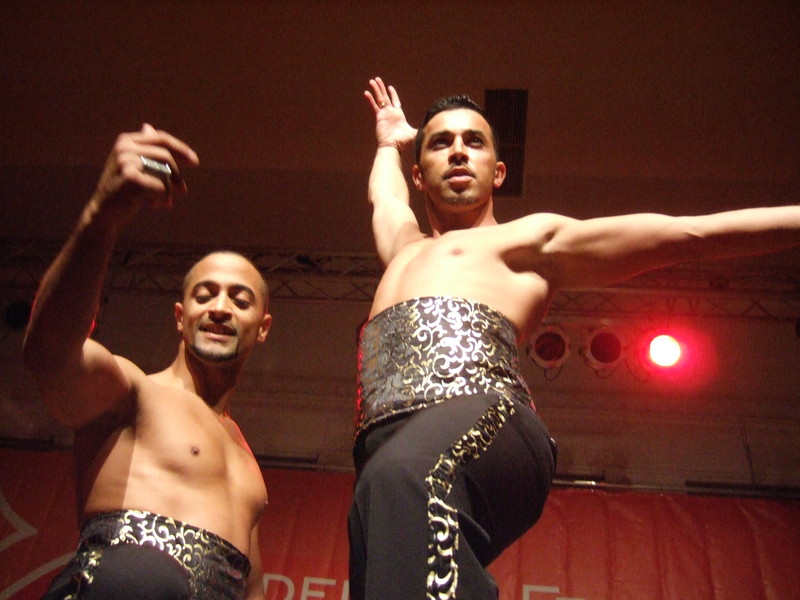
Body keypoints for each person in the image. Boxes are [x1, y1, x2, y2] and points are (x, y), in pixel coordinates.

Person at [349, 76, 800, 600]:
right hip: (383, 441)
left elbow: (687, 234)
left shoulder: (531, 239)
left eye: (474, 141)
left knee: (407, 476)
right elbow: (384, 197)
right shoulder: (402, 248)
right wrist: (388, 144)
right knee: (382, 549)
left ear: (498, 172)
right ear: (419, 175)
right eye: (440, 142)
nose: (457, 152)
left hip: (486, 417)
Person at [22, 125, 271, 600]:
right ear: (180, 317)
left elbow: (253, 585)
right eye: (204, 295)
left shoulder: (247, 461)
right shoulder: (134, 392)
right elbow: (49, 352)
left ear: (263, 327)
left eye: (240, 300)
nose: (220, 308)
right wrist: (101, 216)